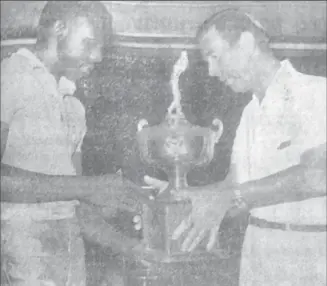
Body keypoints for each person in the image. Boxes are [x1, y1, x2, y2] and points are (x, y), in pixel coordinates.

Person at [145, 9, 326, 285]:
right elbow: (233, 189)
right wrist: (182, 198)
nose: (212, 71)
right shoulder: (249, 113)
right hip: (256, 253)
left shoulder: (315, 93)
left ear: (245, 43)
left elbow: (318, 176)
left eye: (214, 56)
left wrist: (230, 196)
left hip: (310, 253)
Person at [1, 2, 141, 285]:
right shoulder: (10, 76)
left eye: (101, 46)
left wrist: (132, 246)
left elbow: (73, 208)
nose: (98, 56)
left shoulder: (74, 105)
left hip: (69, 249)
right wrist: (90, 187)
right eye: (89, 43)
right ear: (59, 29)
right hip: (22, 248)